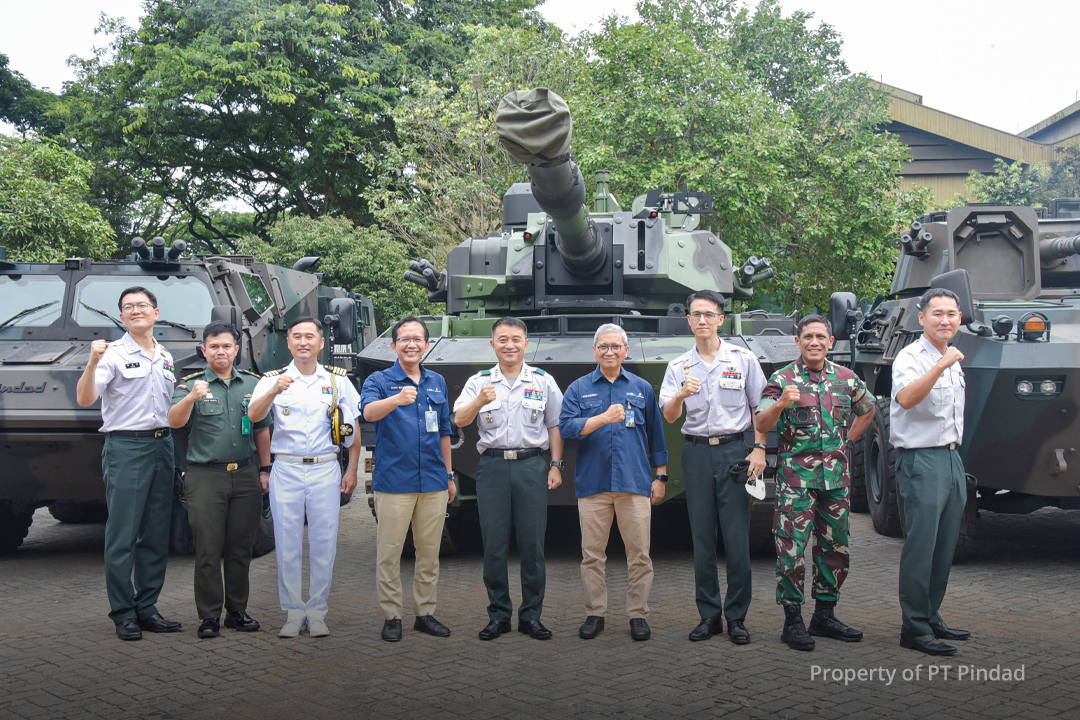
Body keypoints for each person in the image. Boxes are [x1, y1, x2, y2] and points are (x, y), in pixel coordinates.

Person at [755, 314, 875, 651]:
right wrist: (781, 403)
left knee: (835, 547)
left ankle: (824, 615)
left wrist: (847, 442)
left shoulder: (846, 379)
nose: (814, 342)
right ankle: (792, 620)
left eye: (821, 337)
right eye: (807, 336)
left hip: (835, 480)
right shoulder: (782, 379)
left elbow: (868, 409)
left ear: (830, 342)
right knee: (791, 547)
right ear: (798, 342)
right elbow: (761, 420)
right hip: (796, 481)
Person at [659, 290, 768, 645]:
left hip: (735, 451)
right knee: (702, 538)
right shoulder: (678, 367)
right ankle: (709, 615)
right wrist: (679, 395)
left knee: (736, 538)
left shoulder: (744, 359)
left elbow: (759, 409)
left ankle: (737, 617)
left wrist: (760, 449)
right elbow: (670, 416)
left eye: (708, 314)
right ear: (688, 320)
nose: (701, 320)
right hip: (696, 453)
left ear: (721, 319)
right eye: (695, 315)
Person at [76, 286, 182, 641]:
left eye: (142, 305)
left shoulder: (165, 356)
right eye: (128, 307)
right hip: (126, 447)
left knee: (155, 532)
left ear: (155, 312)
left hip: (161, 445)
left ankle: (147, 607)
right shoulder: (111, 354)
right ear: (121, 317)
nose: (135, 310)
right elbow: (86, 397)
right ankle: (123, 612)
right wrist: (91, 361)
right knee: (122, 534)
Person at [247, 316, 360, 639]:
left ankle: (318, 610)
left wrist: (352, 468)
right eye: (297, 337)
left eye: (310, 336)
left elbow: (352, 430)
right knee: (287, 541)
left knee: (324, 540)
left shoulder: (337, 382)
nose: (303, 342)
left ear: (321, 343)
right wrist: (272, 392)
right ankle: (293, 612)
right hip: (287, 467)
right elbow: (254, 417)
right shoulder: (273, 379)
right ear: (288, 342)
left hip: (325, 466)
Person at [453, 317, 565, 641]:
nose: (510, 345)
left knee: (532, 544)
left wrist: (556, 465)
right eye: (502, 339)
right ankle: (498, 615)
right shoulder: (479, 382)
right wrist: (479, 401)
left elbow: (554, 425)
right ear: (493, 345)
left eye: (516, 339)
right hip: (493, 466)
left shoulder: (543, 381)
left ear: (526, 343)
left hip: (532, 466)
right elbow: (459, 419)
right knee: (495, 545)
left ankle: (531, 616)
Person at [559, 323, 668, 642]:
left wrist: (660, 476)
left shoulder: (642, 388)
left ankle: (638, 614)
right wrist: (602, 419)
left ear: (626, 350)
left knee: (640, 554)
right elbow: (565, 429)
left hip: (634, 483)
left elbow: (657, 437)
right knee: (592, 554)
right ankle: (595, 612)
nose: (609, 352)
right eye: (603, 347)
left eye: (615, 346)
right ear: (594, 351)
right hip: (593, 485)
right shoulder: (578, 388)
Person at [168, 321, 273, 639]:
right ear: (204, 350)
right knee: (208, 548)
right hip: (205, 477)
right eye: (214, 346)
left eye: (227, 346)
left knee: (241, 547)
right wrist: (190, 399)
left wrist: (265, 470)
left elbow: (261, 428)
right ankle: (209, 615)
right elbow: (173, 420)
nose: (221, 351)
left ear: (236, 350)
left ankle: (237, 611)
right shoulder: (190, 384)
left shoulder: (253, 385)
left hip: (245, 475)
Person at [361, 316, 456, 642]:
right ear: (394, 345)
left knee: (429, 553)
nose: (412, 344)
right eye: (405, 339)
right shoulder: (379, 380)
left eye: (418, 339)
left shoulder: (437, 382)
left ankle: (424, 613)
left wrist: (449, 476)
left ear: (427, 345)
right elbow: (369, 414)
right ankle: (391, 616)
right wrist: (396, 400)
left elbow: (445, 431)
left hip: (432, 481)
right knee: (389, 553)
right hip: (394, 482)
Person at [891, 287, 971, 656]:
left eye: (952, 313)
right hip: (921, 460)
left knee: (944, 545)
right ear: (921, 317)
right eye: (937, 313)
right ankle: (914, 627)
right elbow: (906, 399)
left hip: (951, 457)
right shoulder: (912, 357)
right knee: (922, 546)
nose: (945, 320)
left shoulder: (951, 356)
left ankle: (930, 613)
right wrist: (940, 366)